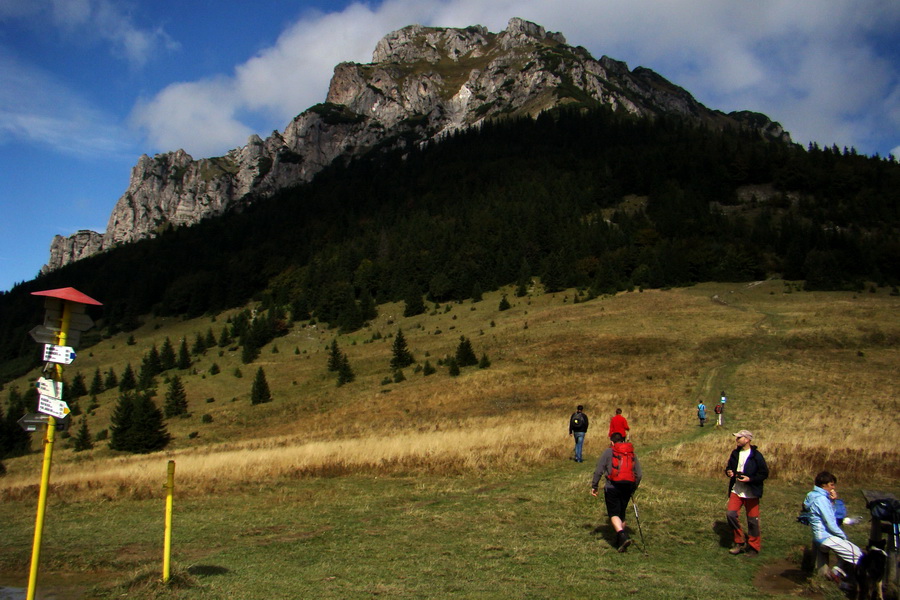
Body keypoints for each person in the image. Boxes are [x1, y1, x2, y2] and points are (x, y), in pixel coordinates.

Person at [803, 471, 862, 582]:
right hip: (825, 536)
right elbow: (830, 522)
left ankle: (835, 573)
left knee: (850, 551)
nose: (833, 487)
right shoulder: (821, 499)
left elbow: (831, 514)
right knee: (857, 555)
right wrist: (842, 536)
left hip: (824, 535)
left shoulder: (818, 496)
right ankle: (841, 576)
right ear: (823, 485)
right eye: (831, 485)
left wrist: (833, 501)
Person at [591, 432, 642, 552]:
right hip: (627, 487)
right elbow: (639, 474)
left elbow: (599, 470)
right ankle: (620, 543)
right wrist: (633, 487)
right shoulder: (631, 453)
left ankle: (622, 535)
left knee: (613, 514)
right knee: (621, 513)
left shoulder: (608, 452)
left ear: (612, 442)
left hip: (612, 486)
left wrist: (594, 485)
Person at [724, 429, 769, 556]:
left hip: (751, 492)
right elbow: (729, 467)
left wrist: (750, 479)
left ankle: (754, 547)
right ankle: (739, 541)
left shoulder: (757, 456)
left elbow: (764, 473)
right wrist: (729, 472)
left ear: (747, 439)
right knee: (731, 514)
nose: (737, 439)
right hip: (737, 490)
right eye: (737, 437)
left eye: (739, 437)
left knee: (753, 521)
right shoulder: (735, 453)